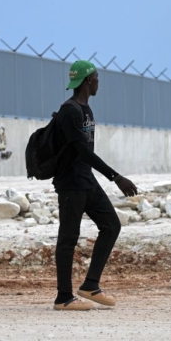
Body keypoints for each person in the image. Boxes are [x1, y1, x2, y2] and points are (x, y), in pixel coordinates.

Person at [52, 60, 139, 311]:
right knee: (68, 239)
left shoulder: (85, 110)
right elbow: (82, 151)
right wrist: (116, 177)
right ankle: (63, 298)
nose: (99, 82)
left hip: (86, 180)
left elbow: (86, 154)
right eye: (97, 78)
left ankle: (90, 285)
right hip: (70, 184)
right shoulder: (69, 111)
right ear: (89, 80)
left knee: (111, 225)